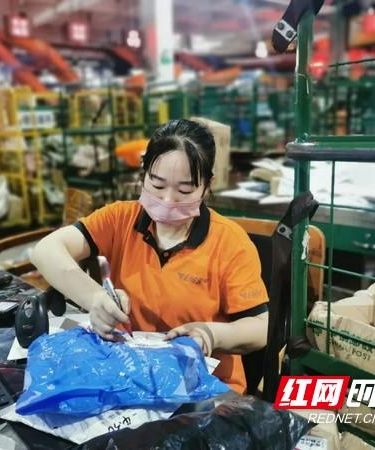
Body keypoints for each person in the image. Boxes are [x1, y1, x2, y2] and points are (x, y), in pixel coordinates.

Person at [31, 119, 268, 393]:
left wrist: (210, 335)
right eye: (157, 185)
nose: (167, 201)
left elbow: (261, 327)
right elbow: (46, 250)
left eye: (185, 190)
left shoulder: (230, 242)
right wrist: (94, 298)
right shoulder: (120, 219)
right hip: (131, 376)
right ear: (143, 175)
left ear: (207, 186)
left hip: (203, 387)